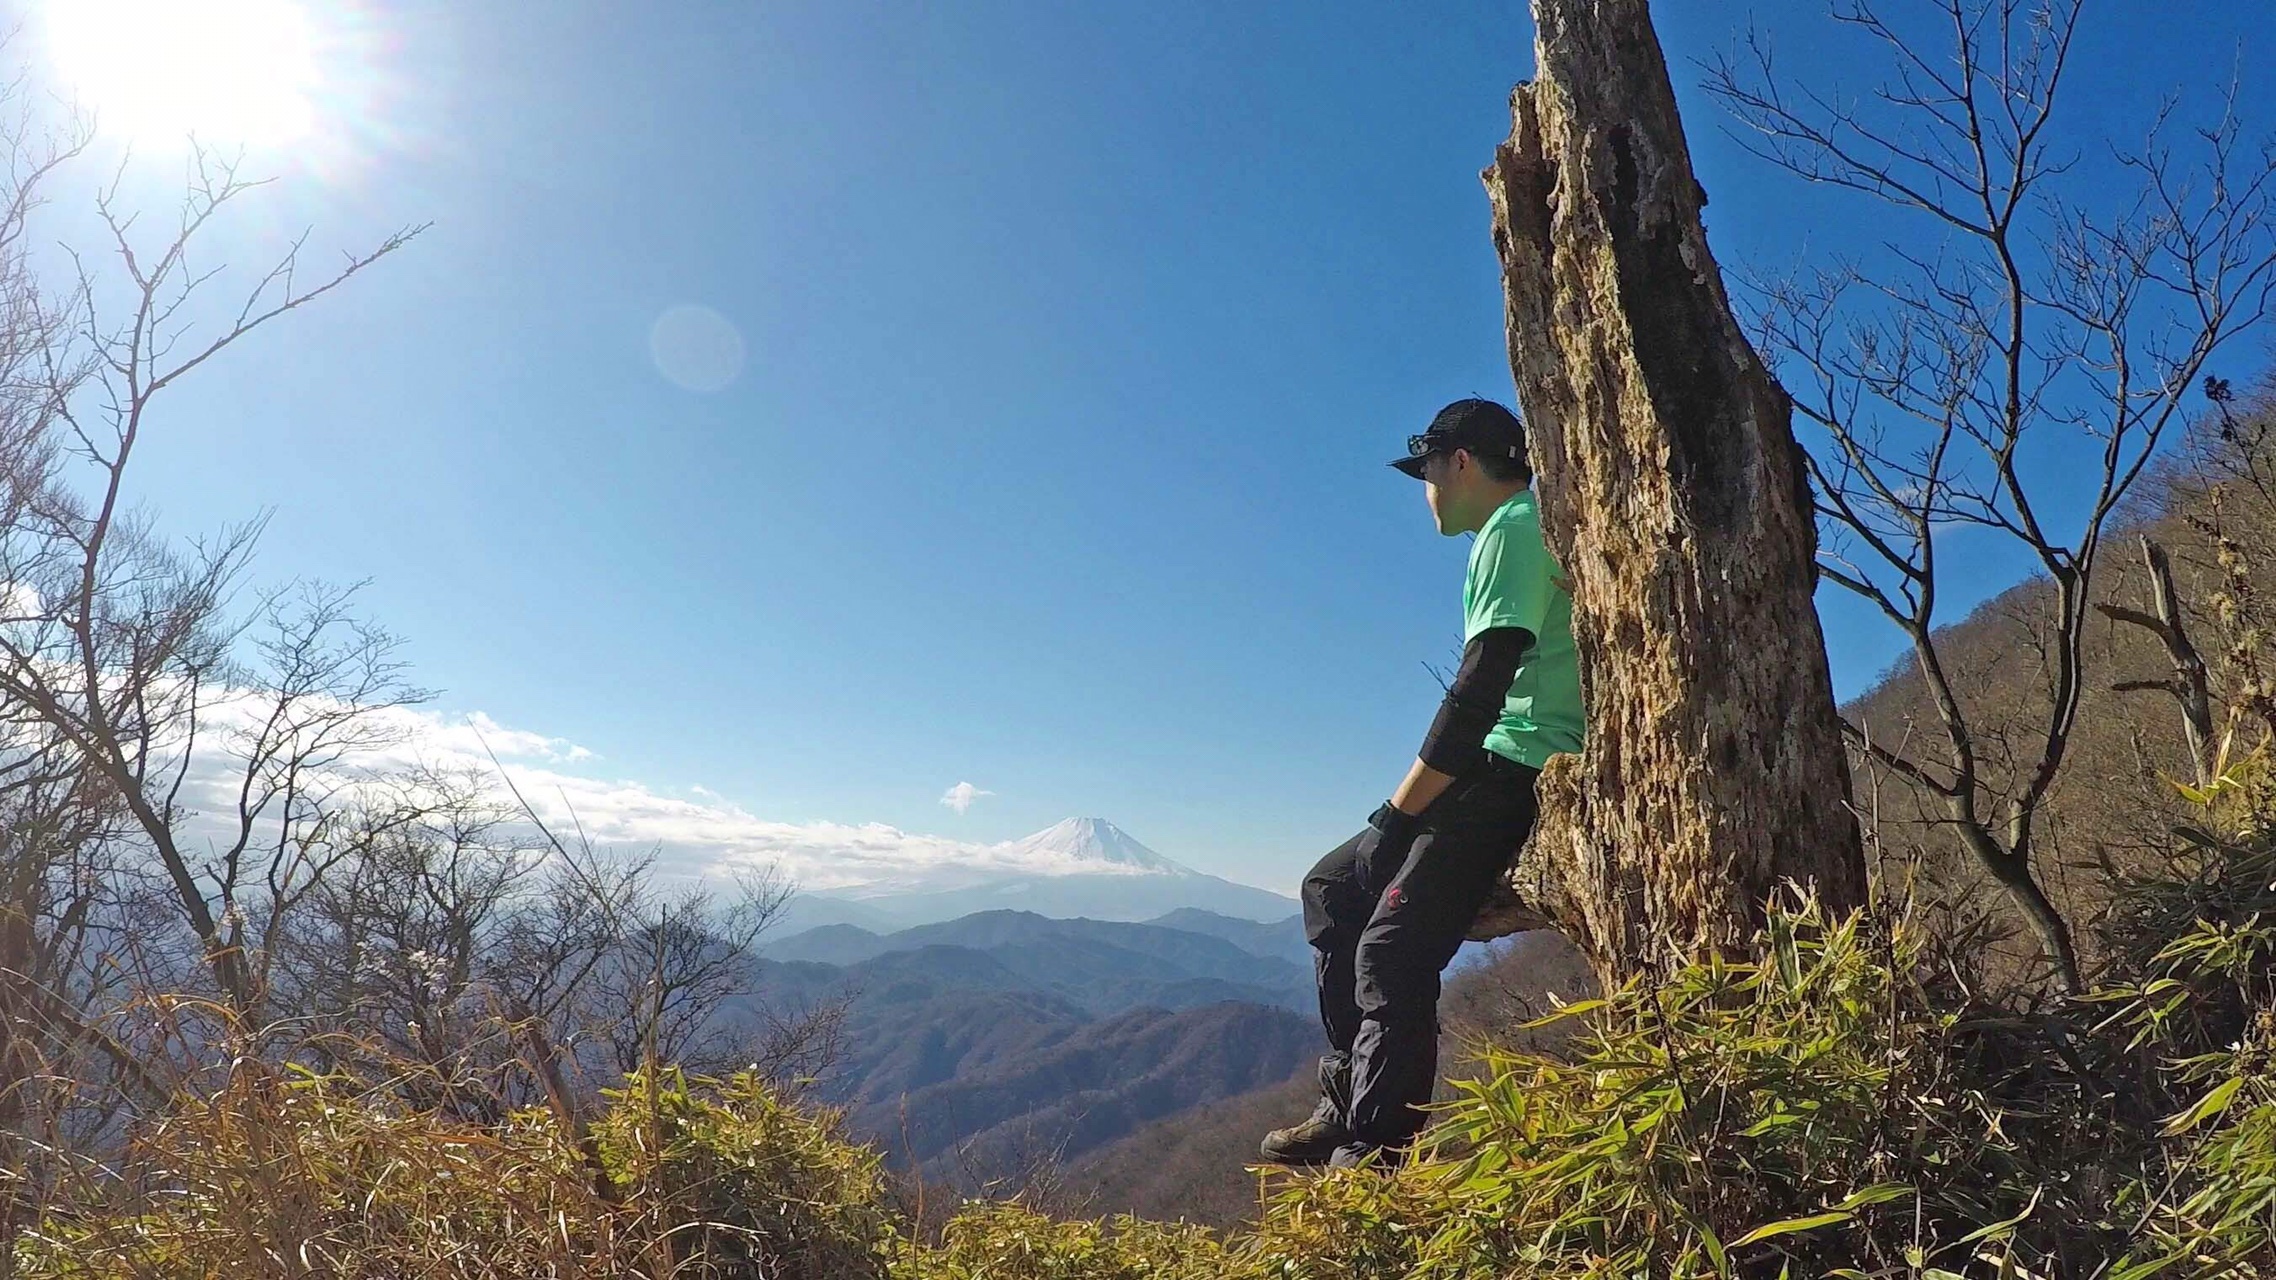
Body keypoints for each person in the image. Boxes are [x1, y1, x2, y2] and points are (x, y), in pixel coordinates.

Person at [1258, 397, 1583, 1170]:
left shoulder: (1513, 528)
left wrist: (1396, 819)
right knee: (1331, 890)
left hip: (1520, 766)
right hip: (1498, 759)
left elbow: (1479, 689)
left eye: (1426, 471)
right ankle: (1345, 1105)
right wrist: (1393, 822)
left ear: (1459, 461)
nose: (1425, 490)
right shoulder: (1513, 529)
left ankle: (1376, 1154)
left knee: (1391, 954)